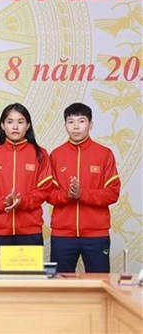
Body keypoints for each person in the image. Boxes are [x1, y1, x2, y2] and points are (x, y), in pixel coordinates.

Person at [0, 103, 53, 270]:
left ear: (28, 125)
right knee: (2, 287)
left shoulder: (40, 154)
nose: (15, 126)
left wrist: (22, 201)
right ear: (3, 126)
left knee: (30, 287)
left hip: (30, 231)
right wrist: (5, 202)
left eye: (21, 121)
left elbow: (44, 189)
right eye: (10, 122)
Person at [48, 103, 120, 273]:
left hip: (96, 235)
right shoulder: (56, 155)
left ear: (91, 124)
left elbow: (113, 193)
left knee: (99, 284)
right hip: (62, 234)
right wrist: (68, 195)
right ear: (65, 125)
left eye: (81, 121)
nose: (76, 126)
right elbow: (48, 193)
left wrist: (83, 194)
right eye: (70, 121)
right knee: (60, 286)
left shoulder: (104, 154)